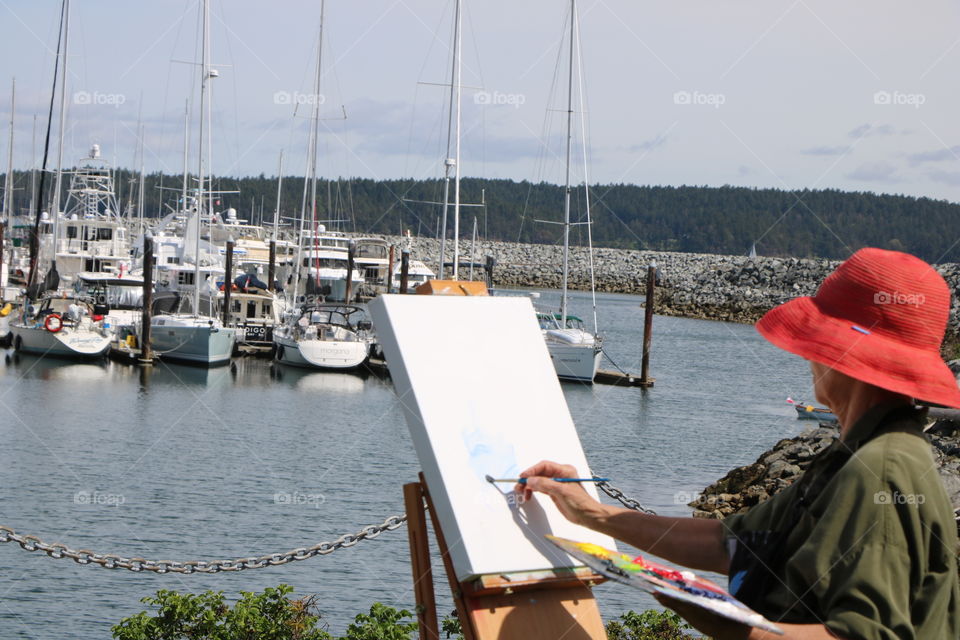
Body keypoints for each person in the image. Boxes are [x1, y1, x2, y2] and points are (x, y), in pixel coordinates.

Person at [519, 248, 960, 639]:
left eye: (818, 341)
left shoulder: (880, 468)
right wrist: (594, 513)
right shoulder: (862, 452)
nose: (808, 356)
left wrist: (731, 622)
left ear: (843, 355)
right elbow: (734, 544)